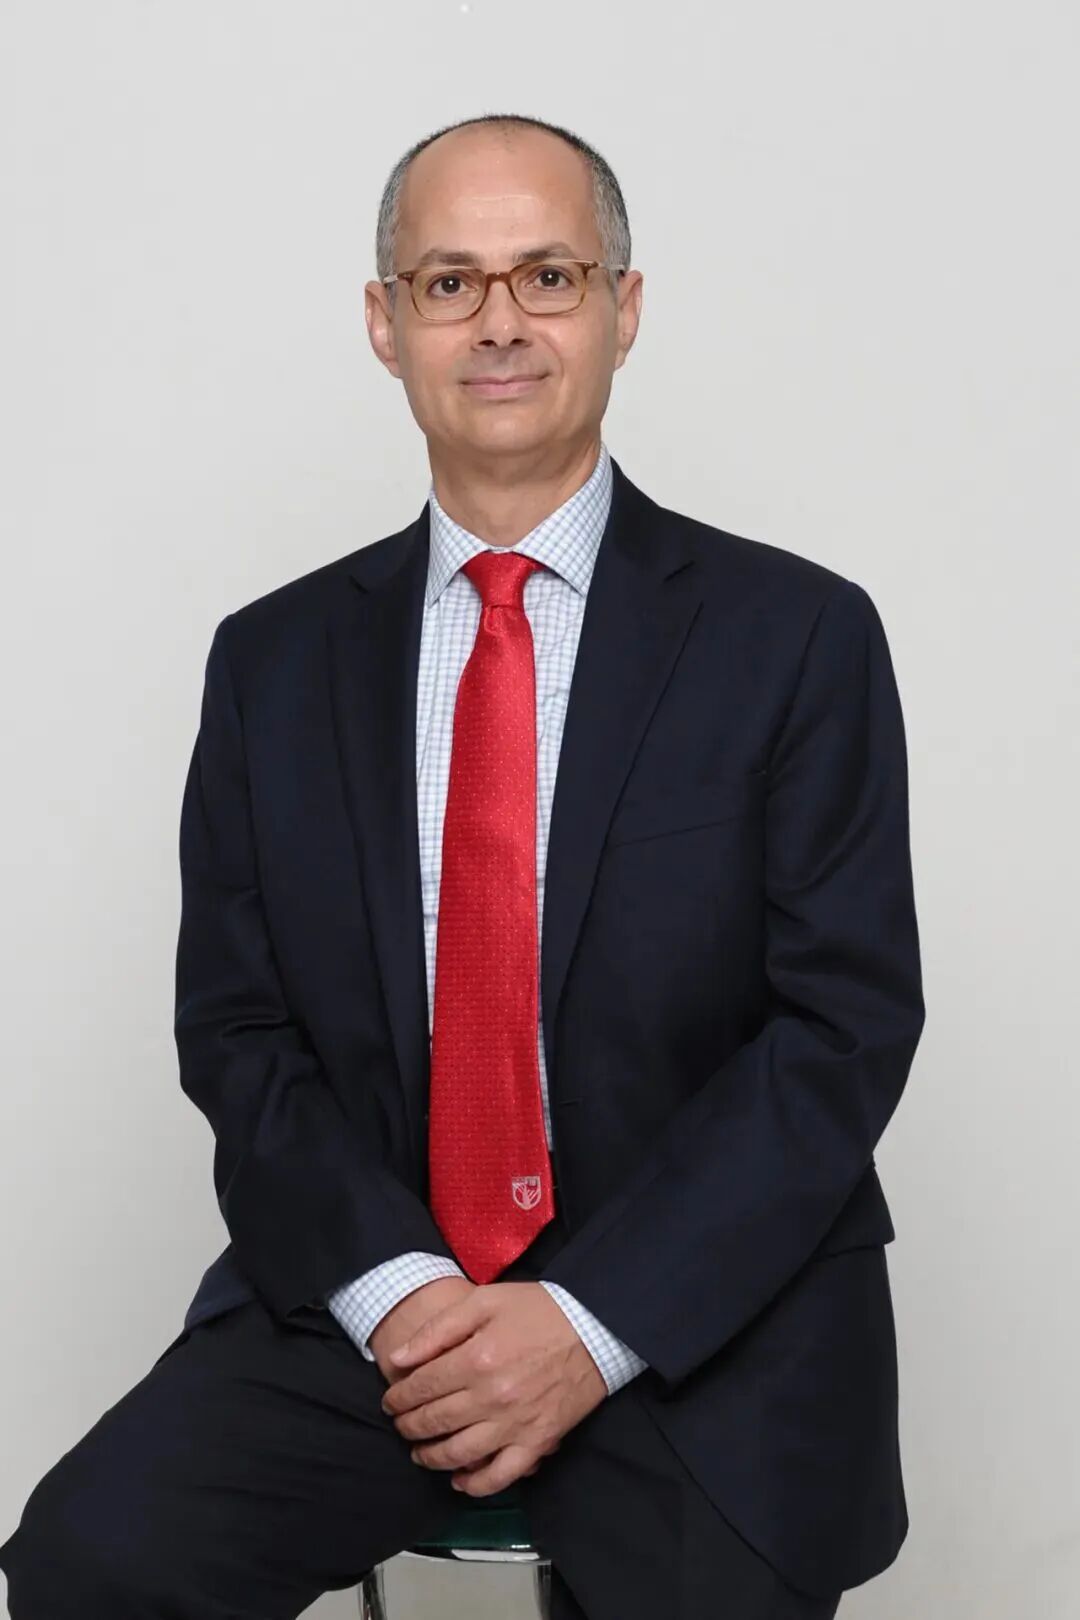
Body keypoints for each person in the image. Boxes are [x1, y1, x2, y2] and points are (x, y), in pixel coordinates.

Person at [0, 112, 925, 1620]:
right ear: (387, 325)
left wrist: (586, 1323)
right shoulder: (272, 663)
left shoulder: (797, 637)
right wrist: (408, 1299)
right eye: (448, 283)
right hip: (379, 1305)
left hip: (704, 1313)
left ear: (624, 309)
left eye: (548, 275)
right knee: (87, 1562)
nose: (499, 321)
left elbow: (841, 1031)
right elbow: (237, 1033)